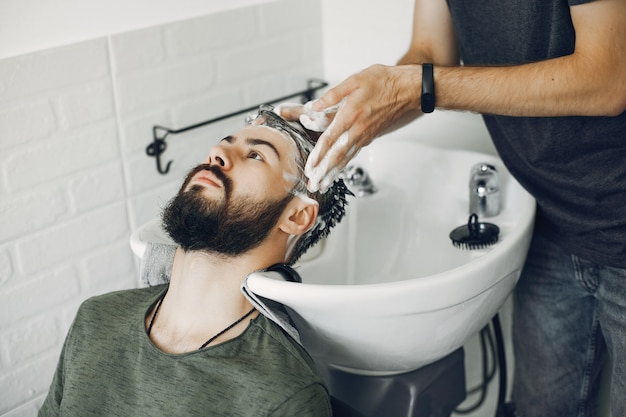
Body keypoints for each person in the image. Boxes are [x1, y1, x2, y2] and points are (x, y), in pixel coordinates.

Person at [282, 1, 626, 416]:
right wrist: (355, 116)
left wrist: (414, 86)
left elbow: (607, 80)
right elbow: (429, 54)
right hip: (552, 217)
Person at [39, 105, 352, 417]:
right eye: (223, 145)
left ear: (297, 215)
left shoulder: (283, 393)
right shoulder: (95, 319)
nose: (216, 153)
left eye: (256, 155)